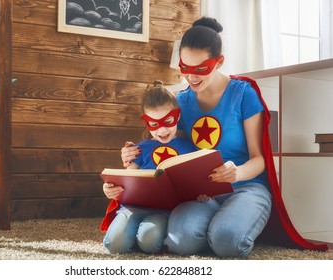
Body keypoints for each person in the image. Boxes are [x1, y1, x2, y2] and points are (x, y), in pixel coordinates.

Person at [120, 17, 327, 257]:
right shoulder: (182, 101)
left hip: (246, 186)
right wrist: (131, 152)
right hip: (202, 195)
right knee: (180, 242)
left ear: (219, 62)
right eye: (185, 68)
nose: (191, 77)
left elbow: (259, 158)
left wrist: (237, 172)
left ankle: (226, 226)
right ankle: (214, 226)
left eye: (201, 69)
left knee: (227, 242)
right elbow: (166, 142)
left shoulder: (243, 93)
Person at [101, 80, 197, 254]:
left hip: (165, 211)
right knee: (114, 245)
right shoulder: (139, 149)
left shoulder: (188, 147)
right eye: (154, 124)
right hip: (133, 207)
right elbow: (127, 181)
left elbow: (194, 180)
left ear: (178, 116)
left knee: (149, 241)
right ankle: (130, 233)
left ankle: (140, 235)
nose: (162, 130)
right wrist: (110, 188)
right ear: (146, 122)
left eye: (168, 121)